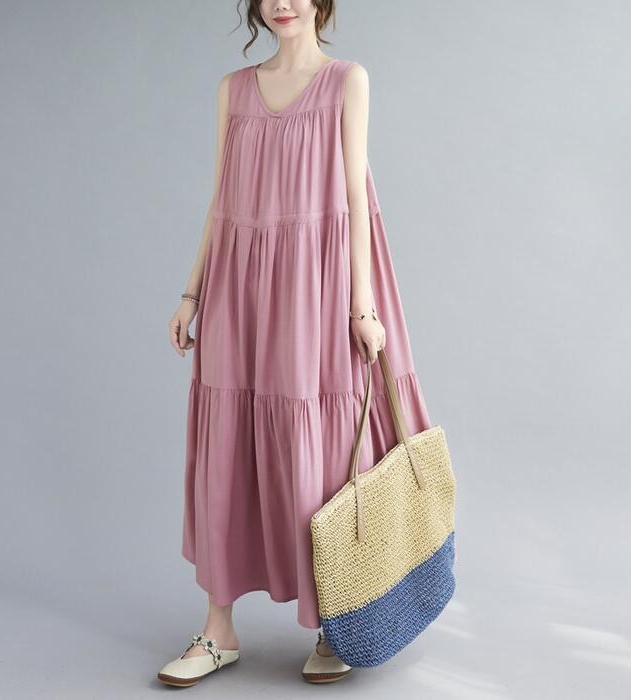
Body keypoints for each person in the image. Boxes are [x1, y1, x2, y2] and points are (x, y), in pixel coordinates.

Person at [158, 0, 432, 687]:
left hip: (319, 281)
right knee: (229, 443)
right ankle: (218, 630)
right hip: (240, 285)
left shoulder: (346, 80)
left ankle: (334, 621)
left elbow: (355, 199)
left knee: (323, 448)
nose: (282, 3)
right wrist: (192, 292)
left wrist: (362, 305)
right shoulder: (233, 89)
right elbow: (220, 197)